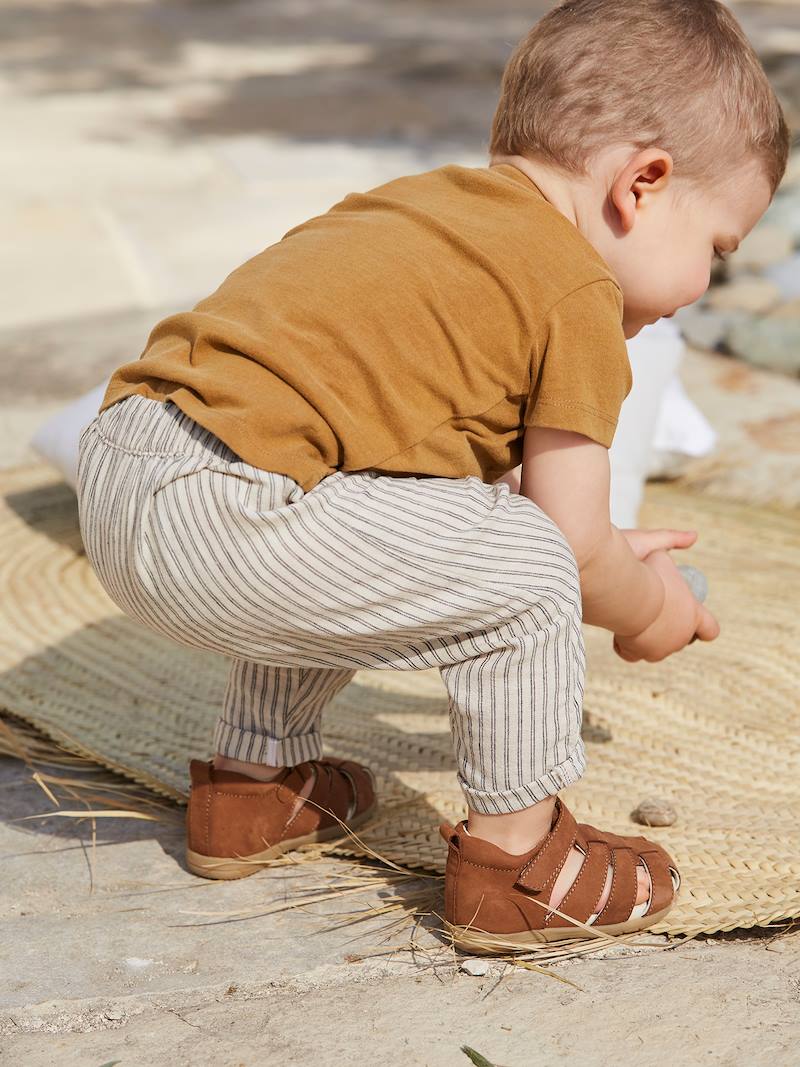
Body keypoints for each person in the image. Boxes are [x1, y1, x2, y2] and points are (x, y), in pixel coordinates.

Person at [76, 0, 788, 951]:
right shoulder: (574, 286)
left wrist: (610, 552)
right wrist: (647, 605)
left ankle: (253, 790)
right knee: (527, 564)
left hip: (131, 463)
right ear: (643, 183)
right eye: (718, 250)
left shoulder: (422, 210)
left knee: (374, 508)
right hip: (229, 506)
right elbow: (571, 546)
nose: (706, 282)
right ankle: (521, 865)